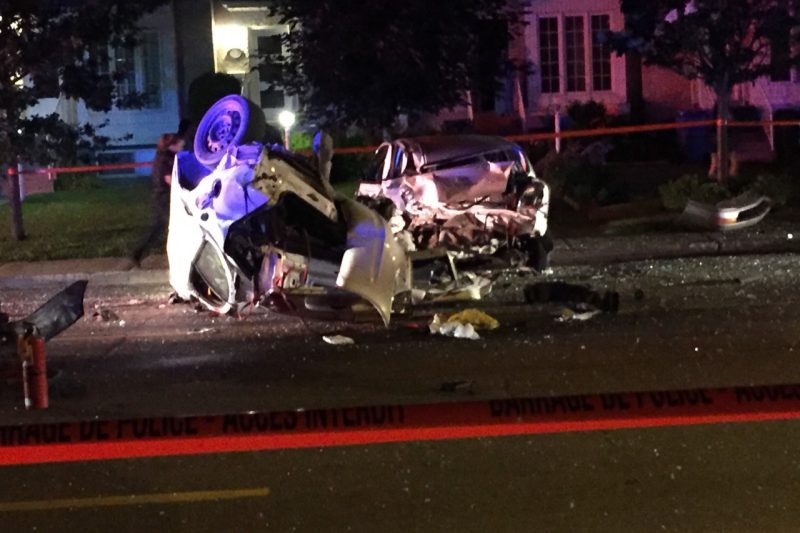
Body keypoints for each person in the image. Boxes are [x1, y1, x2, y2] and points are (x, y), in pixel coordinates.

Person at [132, 133, 185, 265]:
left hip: (161, 197)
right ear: (171, 145)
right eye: (179, 145)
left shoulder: (163, 156)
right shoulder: (166, 159)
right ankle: (138, 253)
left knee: (159, 228)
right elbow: (170, 180)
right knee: (166, 227)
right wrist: (185, 189)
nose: (181, 148)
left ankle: (138, 254)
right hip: (164, 198)